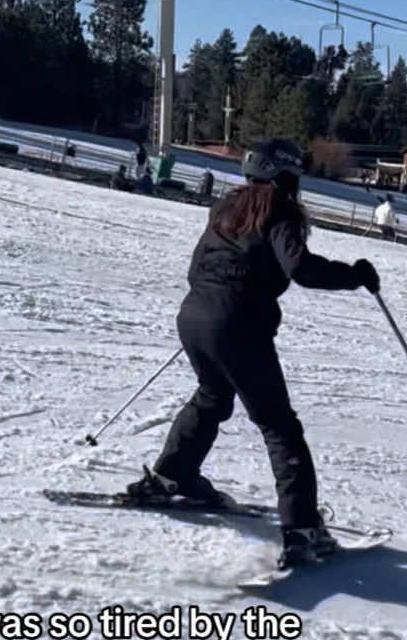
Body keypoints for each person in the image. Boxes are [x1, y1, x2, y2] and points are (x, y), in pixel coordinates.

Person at [126, 139, 379, 570]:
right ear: (283, 174)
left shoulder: (227, 207)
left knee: (211, 396)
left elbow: (197, 265)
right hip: (236, 323)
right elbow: (300, 268)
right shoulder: (277, 207)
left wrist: (217, 301)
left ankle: (172, 475)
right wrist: (354, 275)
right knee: (278, 424)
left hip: (194, 315)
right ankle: (302, 529)